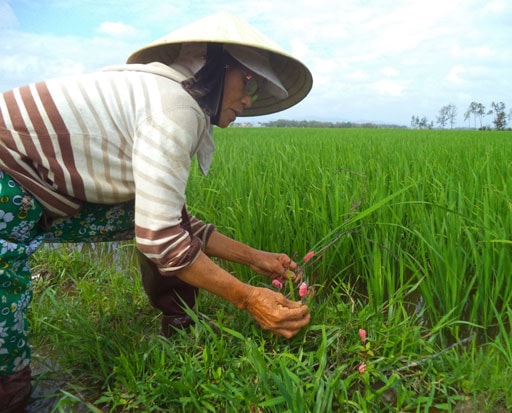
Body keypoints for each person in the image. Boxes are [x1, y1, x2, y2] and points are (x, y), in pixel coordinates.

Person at [0, 12, 313, 411]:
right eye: (248, 81)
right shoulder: (173, 109)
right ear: (214, 67)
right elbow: (162, 241)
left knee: (158, 219)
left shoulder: (158, 94)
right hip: (6, 183)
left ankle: (180, 327)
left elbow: (166, 223)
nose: (250, 98)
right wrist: (249, 299)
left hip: (30, 189)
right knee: (3, 303)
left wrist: (256, 259)